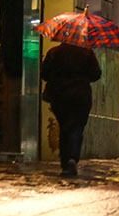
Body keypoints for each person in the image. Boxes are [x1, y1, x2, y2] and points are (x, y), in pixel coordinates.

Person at [41, 42, 102, 177]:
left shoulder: (54, 52)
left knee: (64, 127)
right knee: (77, 127)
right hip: (81, 96)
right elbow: (96, 74)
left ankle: (65, 161)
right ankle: (72, 158)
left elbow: (44, 74)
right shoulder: (87, 53)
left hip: (59, 95)